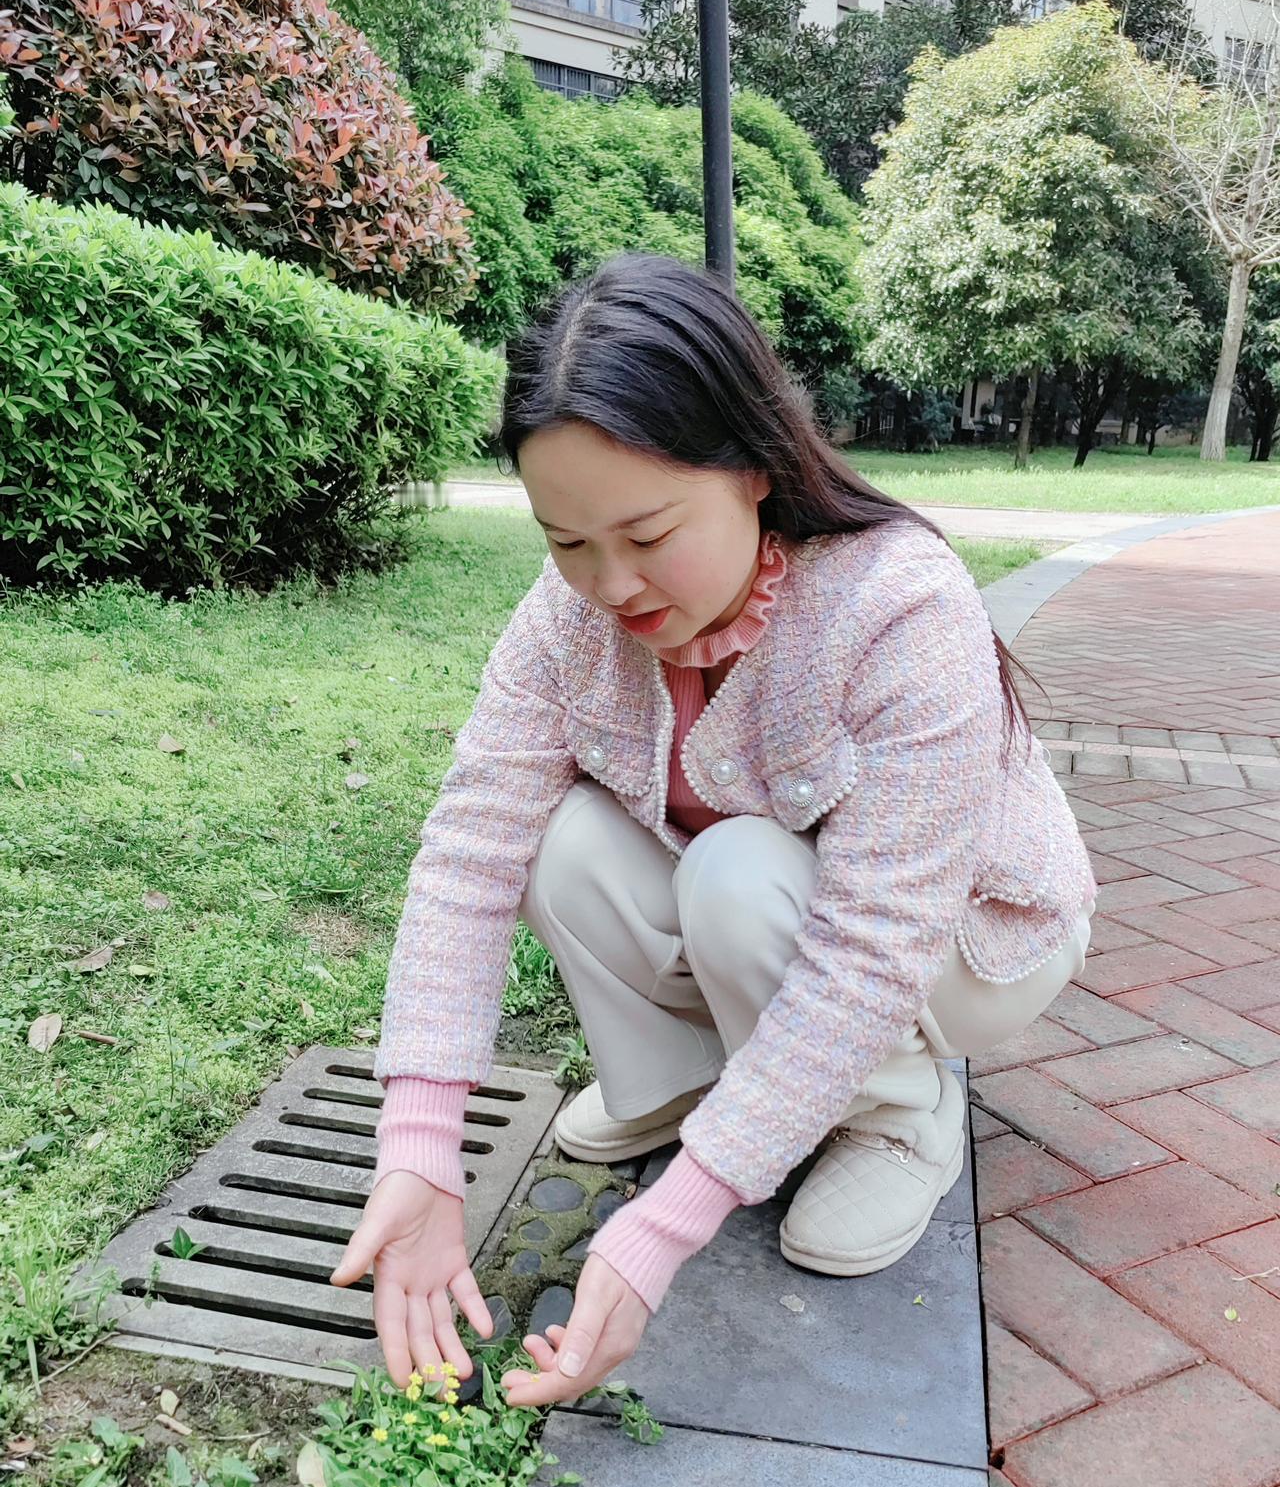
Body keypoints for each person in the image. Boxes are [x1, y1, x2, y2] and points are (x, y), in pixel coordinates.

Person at [330, 250, 1097, 1411]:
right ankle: (690, 1084)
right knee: (553, 838)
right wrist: (419, 1150)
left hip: (967, 945)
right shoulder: (565, 622)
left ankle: (898, 1115)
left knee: (735, 873)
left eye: (645, 533)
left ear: (751, 468)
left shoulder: (896, 600)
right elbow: (467, 854)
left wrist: (663, 1227)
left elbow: (873, 946)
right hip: (772, 908)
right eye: (565, 540)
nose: (609, 585)